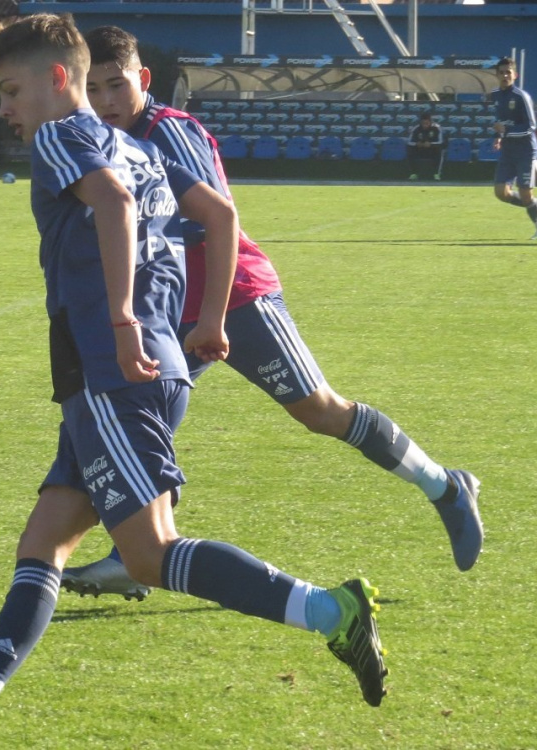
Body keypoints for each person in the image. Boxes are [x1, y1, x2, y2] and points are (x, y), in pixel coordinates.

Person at [0, 15, 388, 749]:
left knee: (148, 554)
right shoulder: (137, 147)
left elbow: (115, 207)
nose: (4, 108)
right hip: (139, 371)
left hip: (111, 373)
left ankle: (332, 612)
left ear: (57, 80)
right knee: (45, 542)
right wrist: (205, 322)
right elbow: (213, 217)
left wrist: (122, 322)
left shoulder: (64, 135)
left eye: (10, 89)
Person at [62, 25, 483, 604]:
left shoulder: (169, 132)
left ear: (144, 79)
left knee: (319, 411)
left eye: (118, 85)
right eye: (95, 88)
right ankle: (133, 557)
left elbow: (220, 222)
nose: (107, 100)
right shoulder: (101, 141)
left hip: (235, 298)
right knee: (143, 427)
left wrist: (212, 319)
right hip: (168, 312)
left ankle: (445, 486)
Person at [489, 56, 537, 240]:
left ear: (515, 75)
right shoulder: (496, 95)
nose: (504, 75)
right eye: (501, 72)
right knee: (501, 193)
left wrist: (506, 131)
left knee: (525, 193)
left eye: (508, 72)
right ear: (497, 75)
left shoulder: (521, 96)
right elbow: (501, 122)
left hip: (525, 151)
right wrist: (499, 136)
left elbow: (531, 126)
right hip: (508, 152)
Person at [406, 112, 445, 181]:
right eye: (423, 123)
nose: (425, 125)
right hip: (420, 149)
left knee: (440, 151)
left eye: (427, 123)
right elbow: (409, 142)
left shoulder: (437, 128)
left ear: (430, 122)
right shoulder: (416, 128)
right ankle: (413, 174)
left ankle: (436, 174)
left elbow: (441, 142)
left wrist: (431, 144)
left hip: (432, 150)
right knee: (410, 150)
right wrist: (416, 144)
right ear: (420, 122)